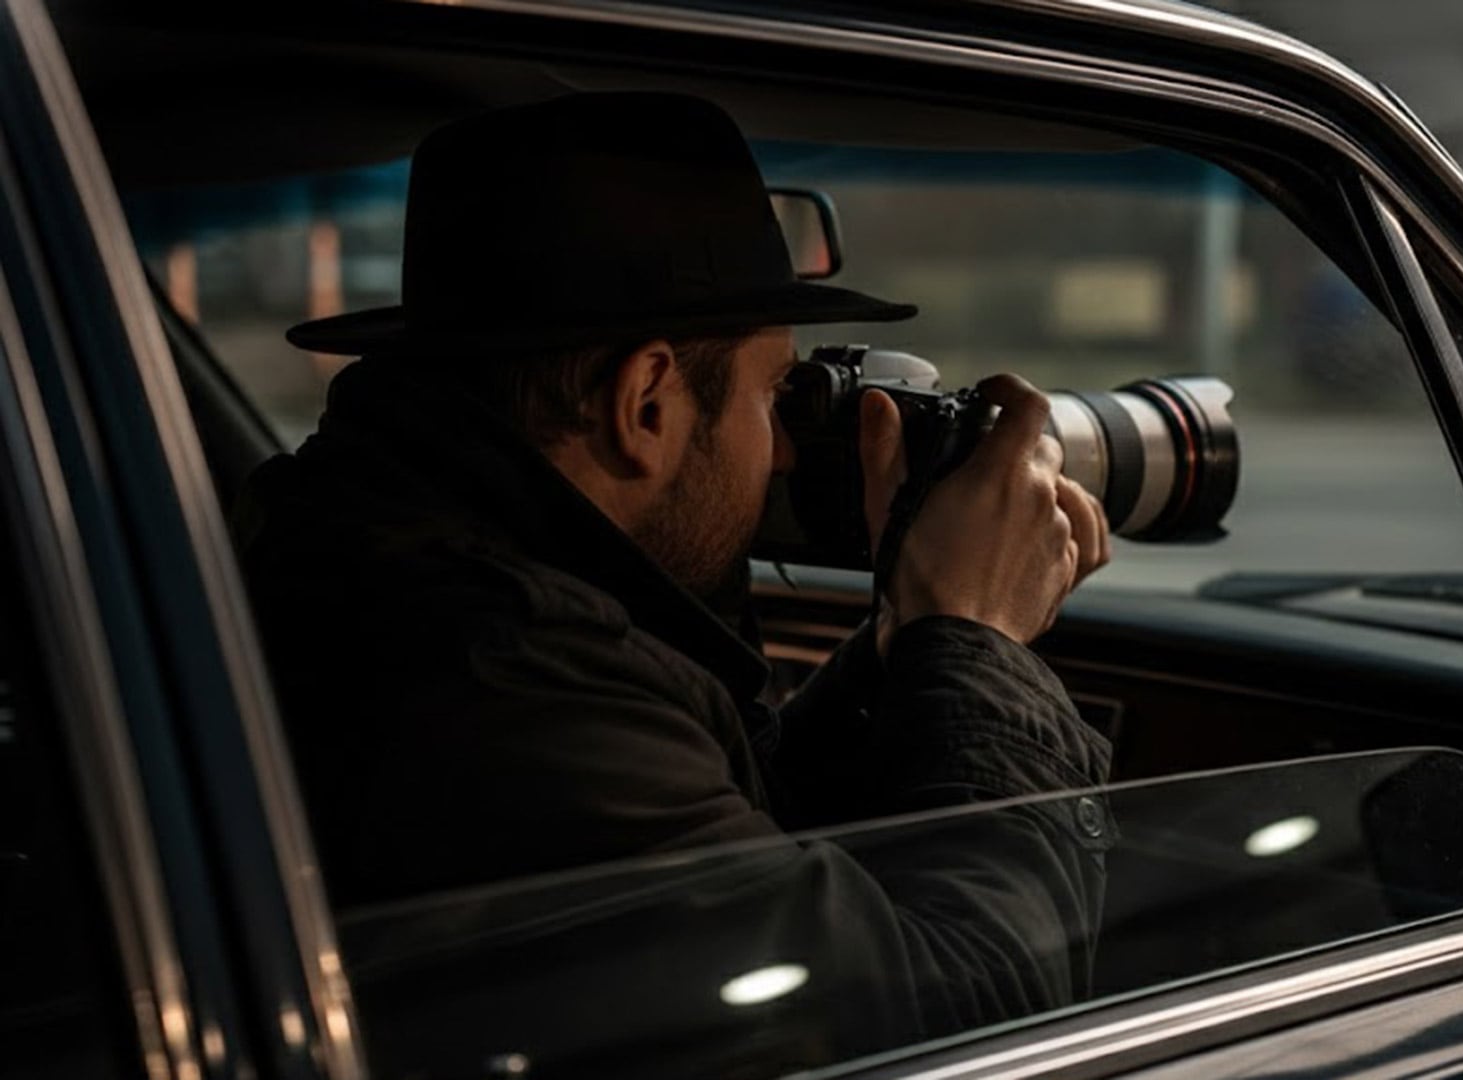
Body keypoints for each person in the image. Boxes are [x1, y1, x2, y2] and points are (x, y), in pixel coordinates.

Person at [232, 92, 1114, 1060]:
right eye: (773, 391)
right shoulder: (499, 676)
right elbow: (953, 1021)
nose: (780, 453)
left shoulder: (370, 553)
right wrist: (979, 638)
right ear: (644, 400)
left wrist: (915, 637)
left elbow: (728, 835)